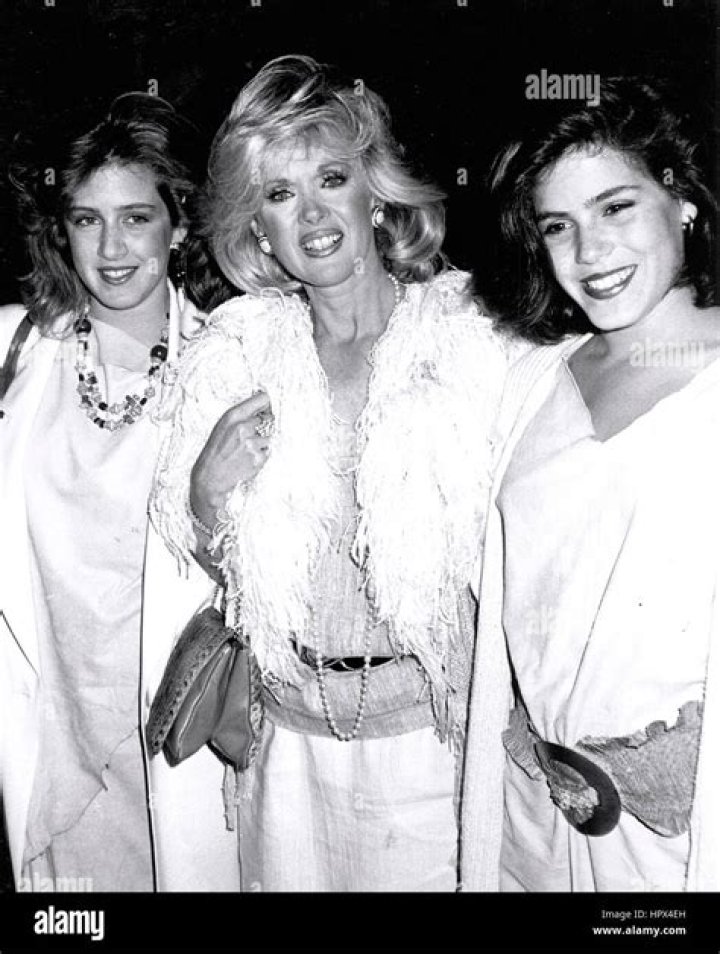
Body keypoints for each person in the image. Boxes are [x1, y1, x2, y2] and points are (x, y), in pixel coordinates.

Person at [148, 54, 512, 892]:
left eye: (332, 179)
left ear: (374, 194)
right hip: (286, 748)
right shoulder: (238, 350)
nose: (311, 214)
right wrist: (205, 493)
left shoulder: (469, 335)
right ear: (257, 228)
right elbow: (217, 564)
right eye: (280, 194)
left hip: (431, 746)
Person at [460, 77, 720, 891]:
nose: (591, 251)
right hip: (540, 822)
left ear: (683, 201)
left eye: (616, 208)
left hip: (683, 842)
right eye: (558, 226)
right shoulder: (529, 380)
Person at [0, 92, 227, 891]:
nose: (111, 246)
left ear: (180, 224)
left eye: (136, 217)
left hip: (178, 739)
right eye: (86, 219)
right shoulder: (17, 350)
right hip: (54, 734)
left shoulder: (232, 362)